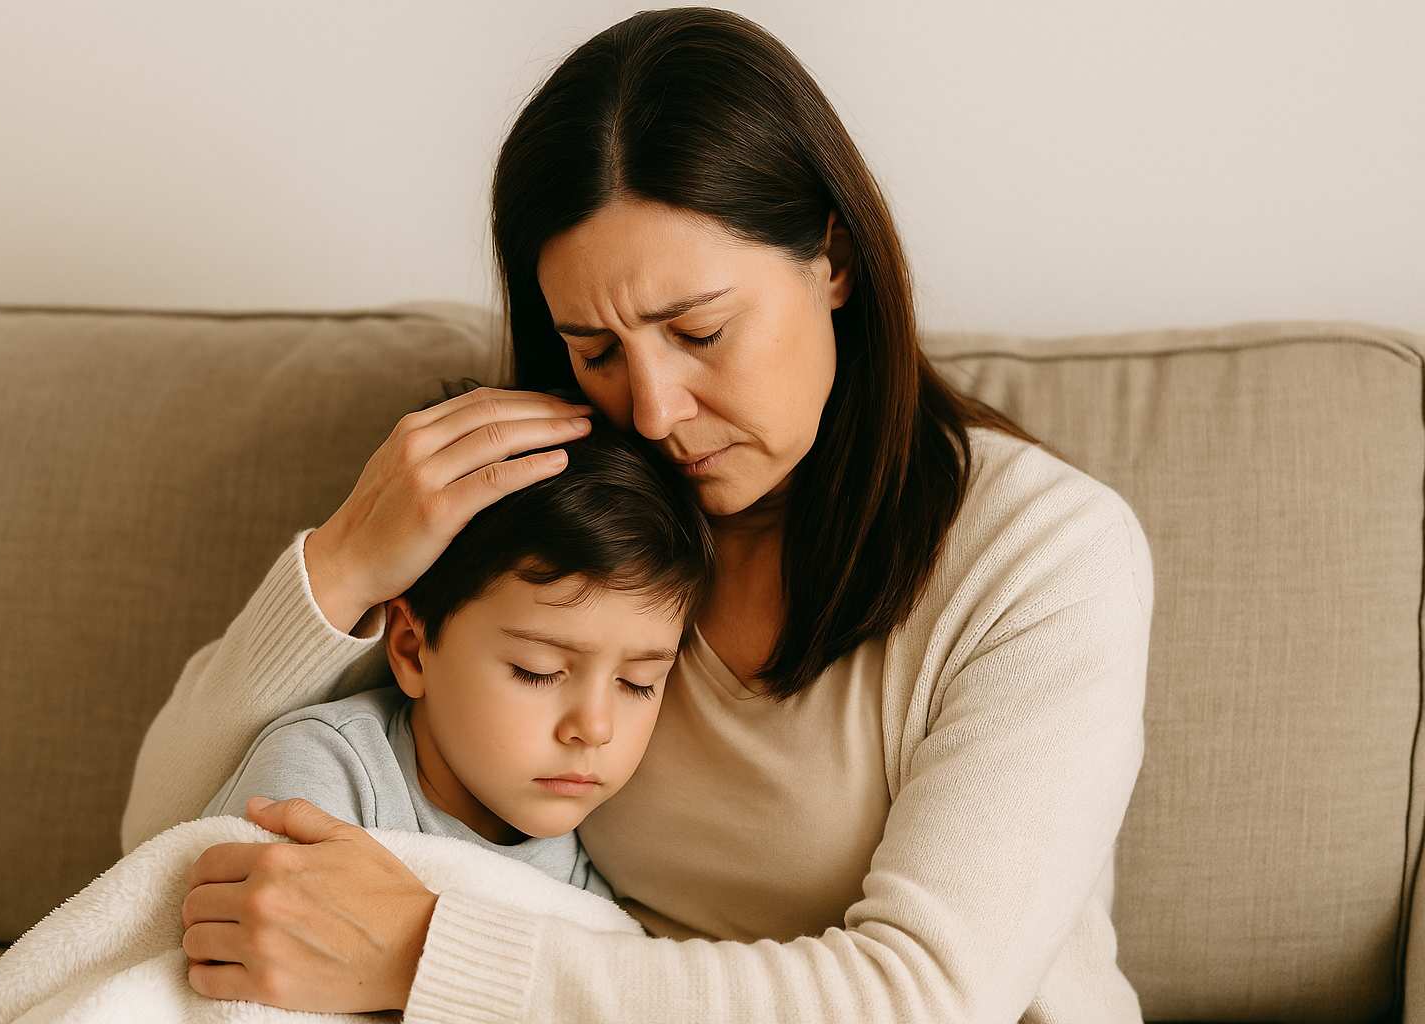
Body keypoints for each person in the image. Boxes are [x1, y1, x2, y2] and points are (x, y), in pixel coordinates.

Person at [123, 7, 1155, 1020]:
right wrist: (346, 562)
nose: (653, 411)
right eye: (598, 351)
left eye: (699, 330)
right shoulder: (564, 511)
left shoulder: (1044, 553)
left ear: (832, 260)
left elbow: (929, 995)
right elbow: (163, 848)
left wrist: (430, 955)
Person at [194, 394, 714, 904]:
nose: (595, 728)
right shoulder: (330, 770)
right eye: (539, 671)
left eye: (637, 683)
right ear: (410, 649)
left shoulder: (588, 859)